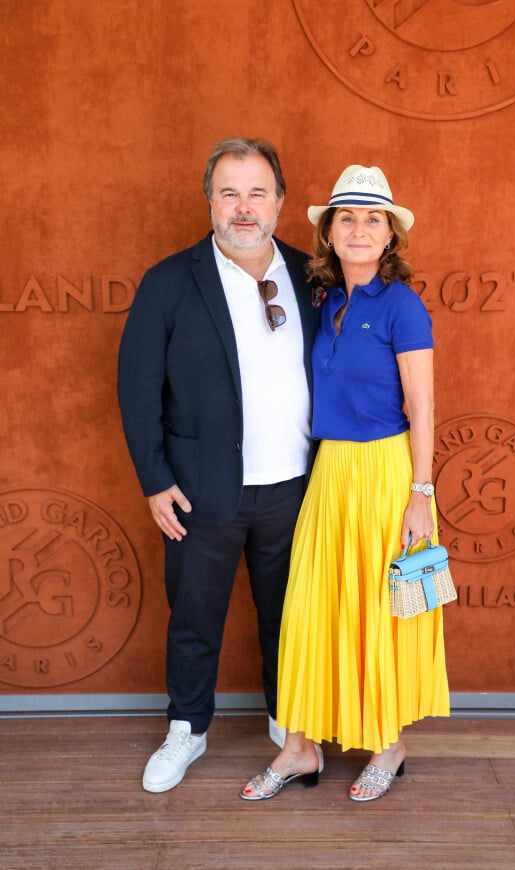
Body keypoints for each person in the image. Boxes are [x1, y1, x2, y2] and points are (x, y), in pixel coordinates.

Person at [240, 164, 450, 803]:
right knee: (313, 609)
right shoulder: (323, 300)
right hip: (329, 473)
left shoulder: (404, 306)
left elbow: (424, 407)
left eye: (374, 219)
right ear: (330, 233)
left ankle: (389, 744)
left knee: (379, 613)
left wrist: (422, 494)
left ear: (390, 236)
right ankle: (300, 750)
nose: (360, 229)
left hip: (387, 476)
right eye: (348, 217)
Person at [117, 137, 320, 793]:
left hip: (295, 488)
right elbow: (137, 386)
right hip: (201, 492)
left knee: (289, 617)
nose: (243, 206)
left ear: (280, 202)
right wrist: (154, 481)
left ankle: (287, 723)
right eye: (229, 192)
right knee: (195, 617)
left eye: (256, 192)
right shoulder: (170, 282)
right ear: (210, 200)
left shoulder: (311, 275)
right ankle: (187, 729)